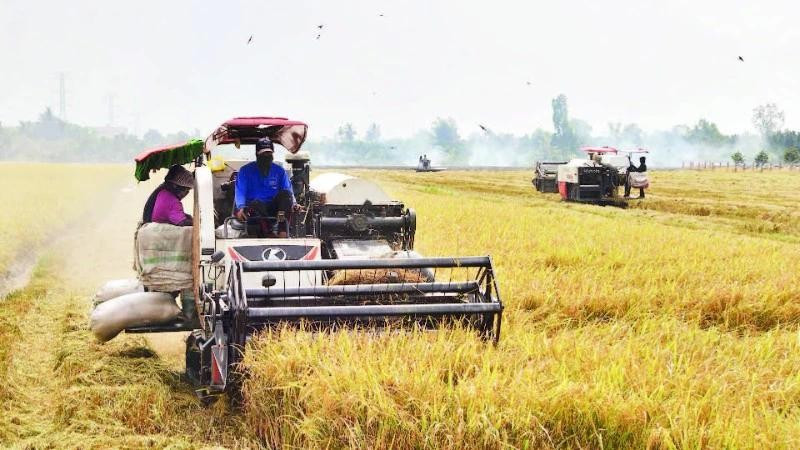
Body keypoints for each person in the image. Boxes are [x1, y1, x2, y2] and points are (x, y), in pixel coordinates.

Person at [234, 138, 296, 237]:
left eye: (269, 154)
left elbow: (287, 189)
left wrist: (294, 203)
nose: (266, 157)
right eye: (264, 154)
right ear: (257, 154)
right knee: (256, 203)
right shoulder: (245, 171)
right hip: (254, 209)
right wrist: (240, 207)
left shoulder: (279, 171)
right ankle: (269, 234)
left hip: (272, 208)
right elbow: (240, 191)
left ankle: (282, 231)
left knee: (286, 195)